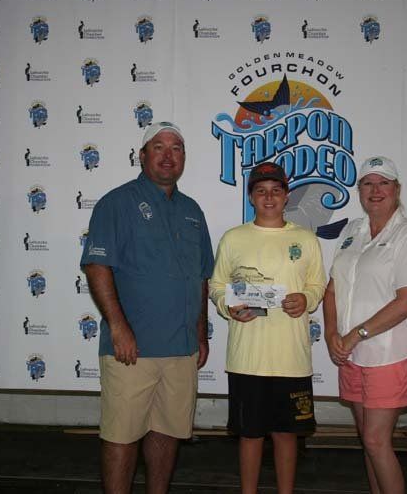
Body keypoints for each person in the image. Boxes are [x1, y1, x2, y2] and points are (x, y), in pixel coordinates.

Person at [81, 122, 214, 494]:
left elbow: (201, 277)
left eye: (177, 148)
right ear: (142, 156)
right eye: (158, 146)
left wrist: (200, 334)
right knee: (122, 436)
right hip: (132, 350)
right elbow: (97, 266)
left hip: (181, 348)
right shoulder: (116, 203)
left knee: (167, 432)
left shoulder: (192, 211)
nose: (168, 155)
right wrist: (119, 327)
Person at [209, 162, 326, 494]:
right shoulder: (234, 238)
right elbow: (217, 286)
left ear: (287, 196)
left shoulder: (305, 239)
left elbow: (318, 285)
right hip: (247, 357)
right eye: (261, 191)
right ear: (251, 197)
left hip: (291, 357)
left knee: (287, 434)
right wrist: (227, 306)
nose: (269, 197)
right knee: (250, 434)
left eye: (276, 190)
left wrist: (305, 298)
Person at [323, 156, 407, 494]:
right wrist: (331, 334)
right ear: (359, 191)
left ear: (397, 190)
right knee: (367, 442)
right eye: (368, 183)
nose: (375, 190)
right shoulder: (352, 230)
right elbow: (332, 290)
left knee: (375, 440)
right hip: (351, 355)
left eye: (383, 183)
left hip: (388, 353)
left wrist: (356, 334)